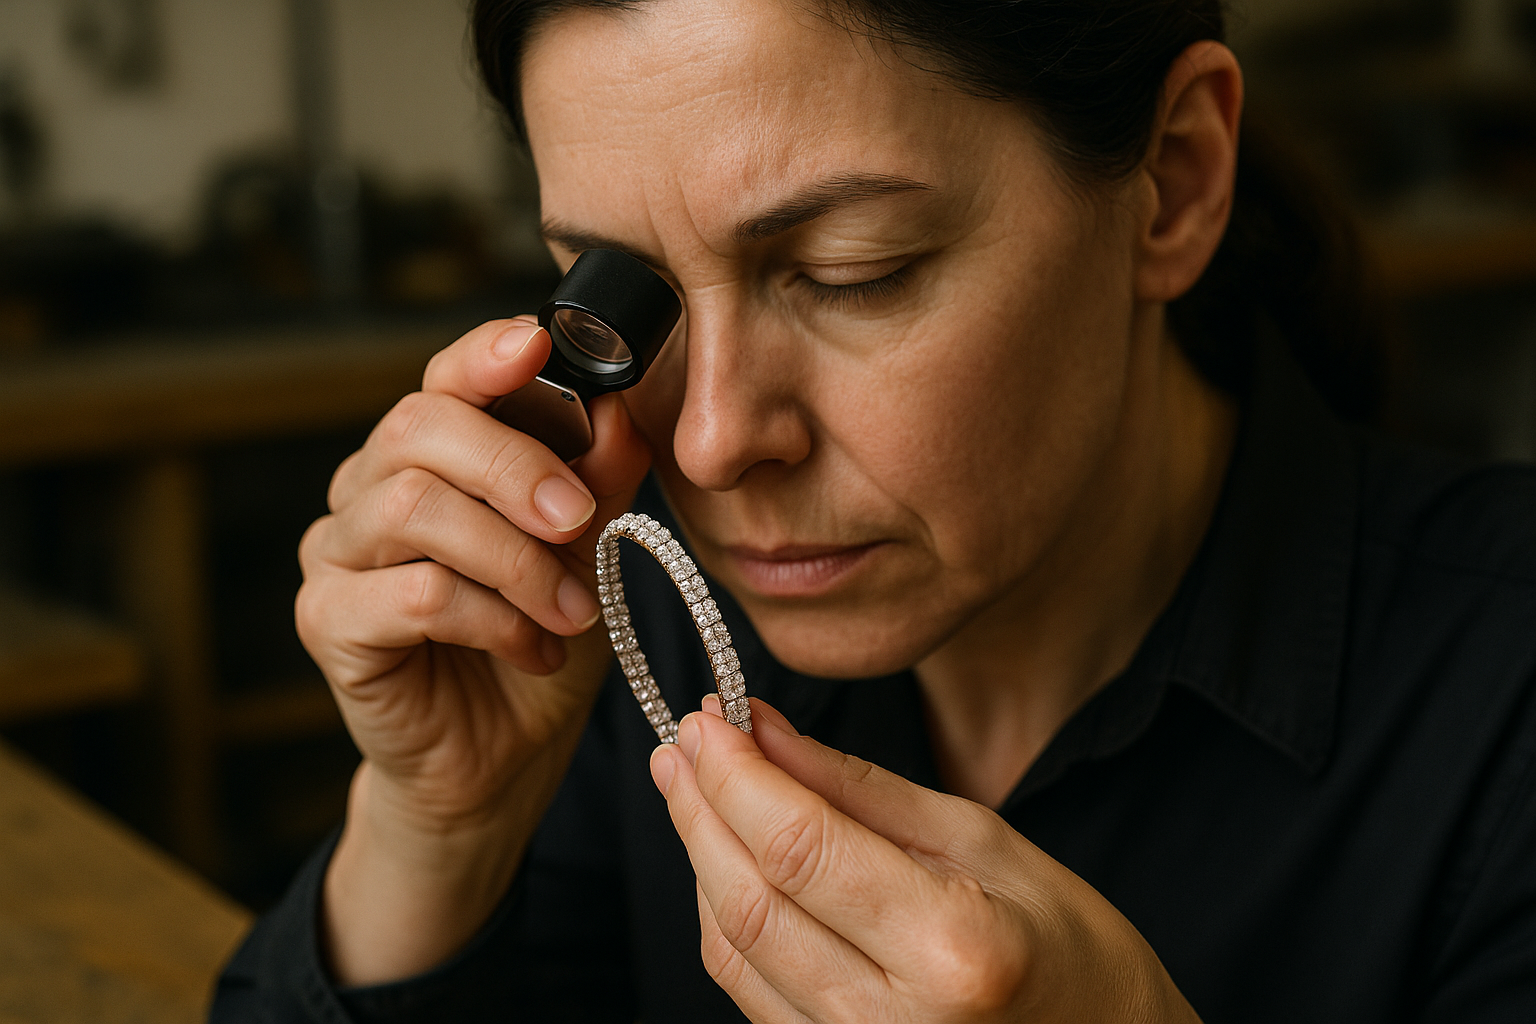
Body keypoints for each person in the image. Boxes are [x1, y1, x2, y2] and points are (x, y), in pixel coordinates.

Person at [212, 1, 1536, 1021]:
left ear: (1174, 181)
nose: (719, 442)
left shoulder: (1498, 715)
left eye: (853, 273)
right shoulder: (628, 640)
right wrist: (434, 834)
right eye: (623, 293)